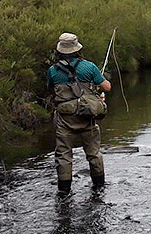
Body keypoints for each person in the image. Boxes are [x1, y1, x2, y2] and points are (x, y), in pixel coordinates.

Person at [47, 32, 111, 194]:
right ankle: (99, 188)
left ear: (60, 50)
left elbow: (51, 90)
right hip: (86, 117)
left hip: (64, 119)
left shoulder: (52, 70)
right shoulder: (89, 67)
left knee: (63, 155)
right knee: (94, 153)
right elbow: (107, 87)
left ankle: (64, 191)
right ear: (77, 49)